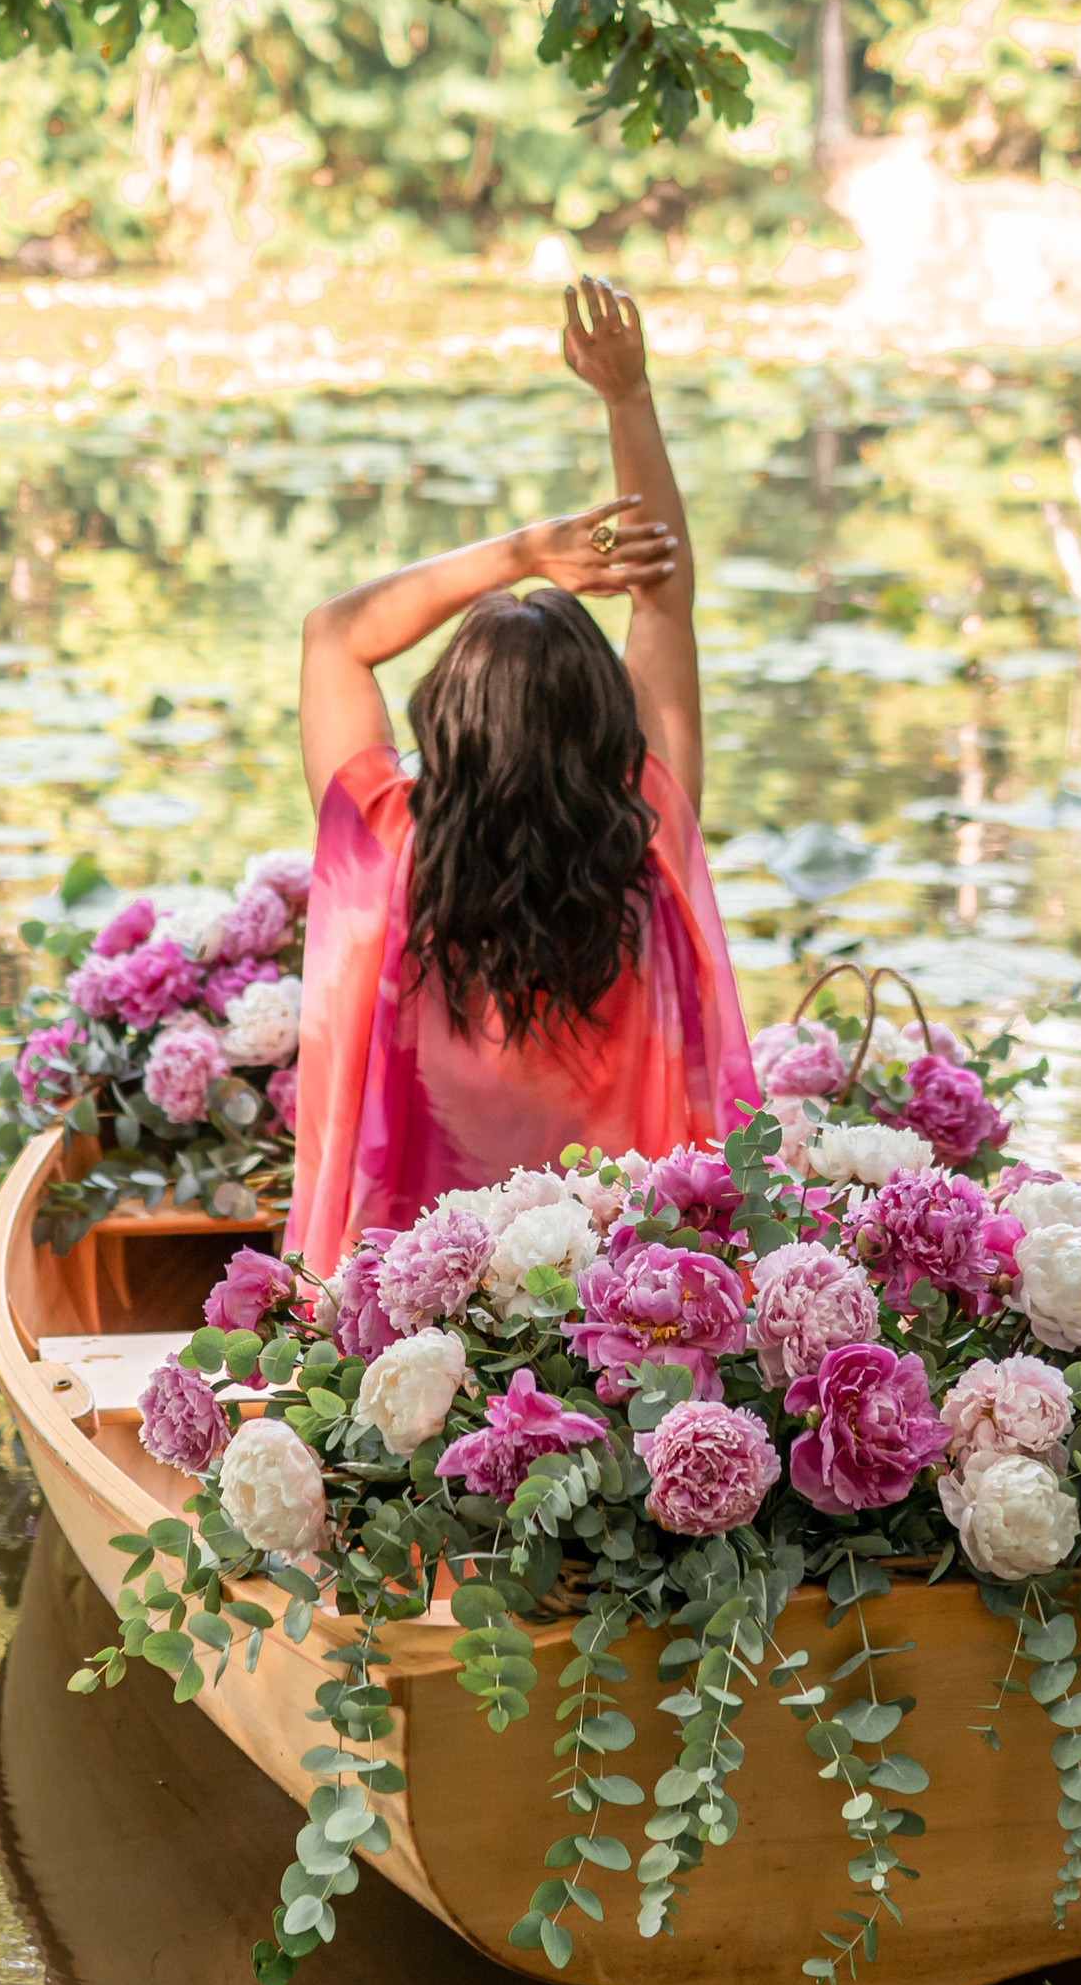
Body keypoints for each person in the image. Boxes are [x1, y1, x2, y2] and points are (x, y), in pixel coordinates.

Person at [286, 275, 756, 1267]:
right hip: (622, 1319)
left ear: (446, 719)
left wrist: (525, 554)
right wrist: (627, 398)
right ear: (604, 721)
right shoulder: (647, 838)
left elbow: (333, 634)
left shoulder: (385, 845)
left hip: (418, 1318)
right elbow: (663, 599)